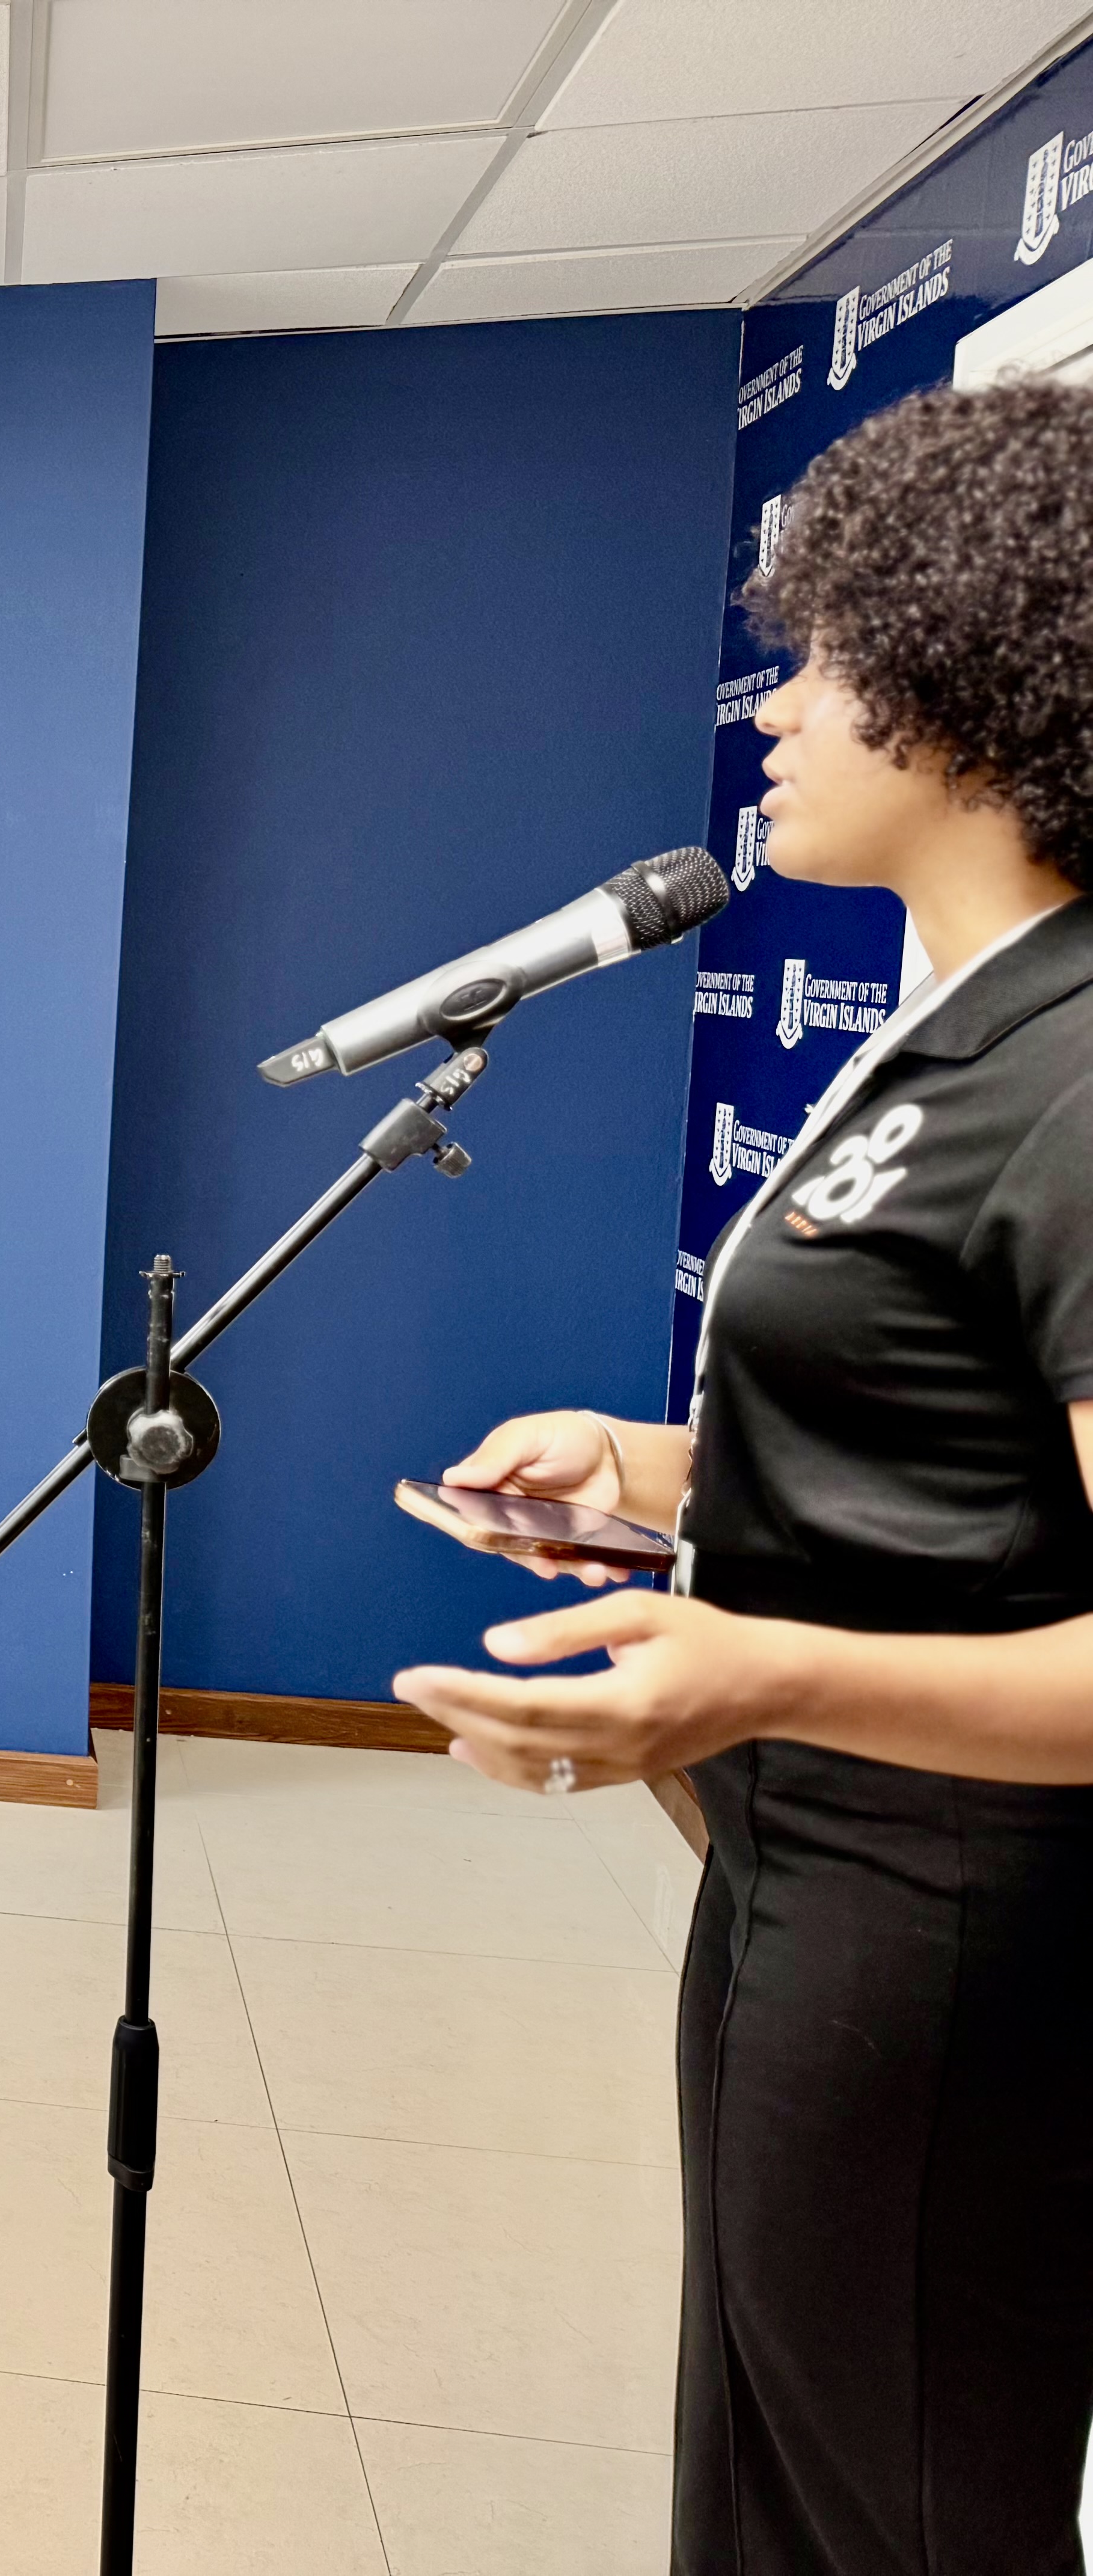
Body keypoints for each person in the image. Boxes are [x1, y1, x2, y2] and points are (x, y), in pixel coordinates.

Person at [396, 381, 1093, 2574]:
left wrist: (757, 1669)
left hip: (958, 1926)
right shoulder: (961, 1031)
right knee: (774, 2468)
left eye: (823, 659)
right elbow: (948, 1444)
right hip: (802, 1882)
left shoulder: (1084, 1069)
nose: (772, 711)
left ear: (969, 679)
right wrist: (653, 1465)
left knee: (901, 2498)